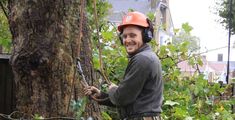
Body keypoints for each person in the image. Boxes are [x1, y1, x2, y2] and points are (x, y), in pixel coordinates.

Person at [84, 11, 163, 120]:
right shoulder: (146, 57)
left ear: (145, 36)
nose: (127, 40)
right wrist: (101, 95)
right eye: (125, 36)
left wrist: (112, 89)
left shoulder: (142, 59)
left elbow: (121, 98)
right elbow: (129, 99)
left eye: (133, 35)